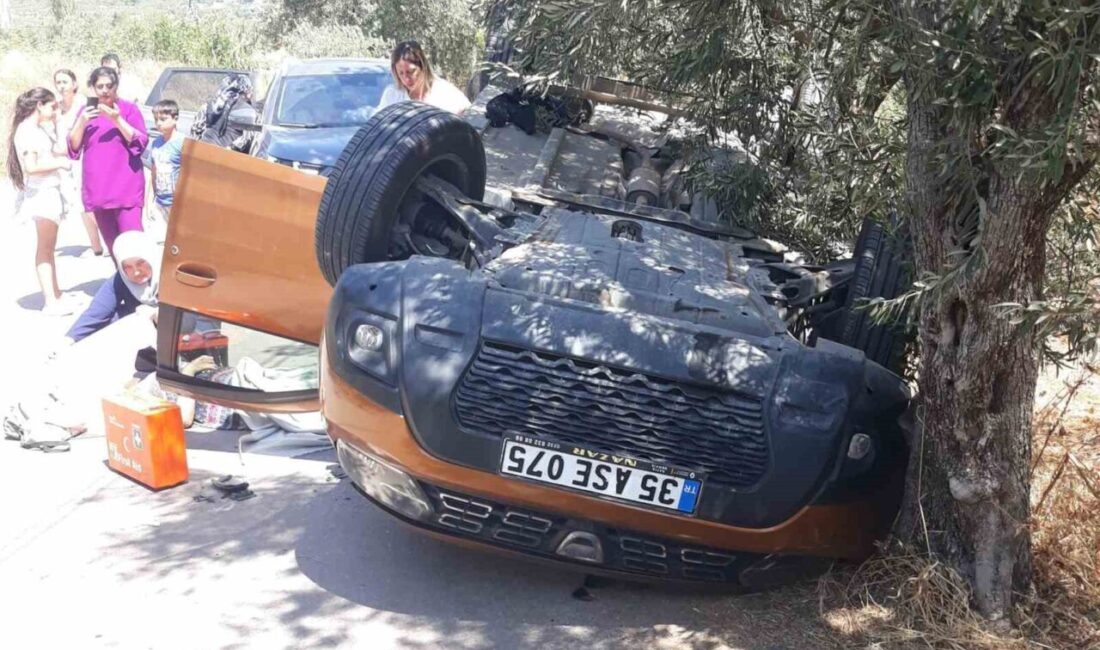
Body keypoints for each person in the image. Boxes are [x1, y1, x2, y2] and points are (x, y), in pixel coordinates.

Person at [68, 66, 149, 255]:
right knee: (114, 248)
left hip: (126, 190)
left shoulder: (128, 109)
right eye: (99, 86)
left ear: (116, 86)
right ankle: (122, 283)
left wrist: (117, 119)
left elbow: (140, 142)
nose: (104, 90)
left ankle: (144, 282)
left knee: (133, 244)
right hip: (99, 191)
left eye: (109, 86)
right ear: (93, 89)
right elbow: (73, 146)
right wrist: (82, 121)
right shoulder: (86, 112)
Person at [8, 87, 73, 316]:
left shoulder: (38, 129)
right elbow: (31, 167)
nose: (55, 110)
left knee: (49, 247)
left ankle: (55, 293)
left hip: (49, 191)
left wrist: (56, 124)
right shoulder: (27, 131)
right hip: (41, 194)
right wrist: (59, 164)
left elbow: (59, 149)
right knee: (45, 249)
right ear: (39, 105)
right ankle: (50, 301)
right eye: (52, 106)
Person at [62, 230, 160, 344]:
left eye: (141, 263)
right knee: (112, 320)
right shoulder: (121, 278)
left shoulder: (173, 274)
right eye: (128, 267)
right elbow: (98, 311)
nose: (136, 272)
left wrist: (158, 313)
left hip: (177, 334)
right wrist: (69, 339)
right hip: (142, 334)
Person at [53, 68, 104, 256]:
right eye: (58, 82)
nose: (61, 86)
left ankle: (109, 238)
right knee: (78, 205)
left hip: (82, 157)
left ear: (74, 84)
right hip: (63, 160)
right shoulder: (56, 107)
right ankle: (96, 246)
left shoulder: (83, 104)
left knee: (89, 202)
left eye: (65, 81)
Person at [377, 40, 471, 115]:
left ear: (423, 67)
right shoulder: (392, 95)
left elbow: (469, 115)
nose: (406, 79)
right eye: (401, 73)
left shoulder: (445, 93)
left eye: (411, 72)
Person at [147, 99, 182, 243]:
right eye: (156, 120)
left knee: (177, 241)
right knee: (161, 242)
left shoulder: (182, 143)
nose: (159, 123)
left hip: (177, 204)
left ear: (175, 119)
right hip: (161, 201)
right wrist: (150, 201)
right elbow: (153, 172)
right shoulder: (156, 144)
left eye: (163, 119)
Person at [191, 73, 255, 152]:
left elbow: (195, 129)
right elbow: (246, 139)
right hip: (225, 157)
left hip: (201, 151)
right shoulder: (248, 111)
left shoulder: (209, 104)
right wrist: (228, 149)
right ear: (246, 92)